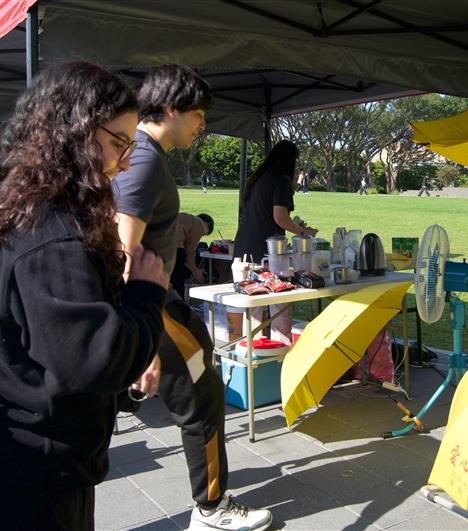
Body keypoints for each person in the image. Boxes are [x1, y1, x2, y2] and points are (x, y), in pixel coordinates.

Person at [0, 61, 170, 531]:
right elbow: (96, 359)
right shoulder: (51, 229)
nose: (126, 162)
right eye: (118, 144)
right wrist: (145, 298)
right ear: (73, 131)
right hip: (23, 481)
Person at [114, 64, 272, 531]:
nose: (203, 125)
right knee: (203, 397)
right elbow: (124, 250)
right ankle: (211, 508)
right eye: (198, 115)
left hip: (157, 303)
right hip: (148, 305)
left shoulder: (143, 155)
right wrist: (140, 341)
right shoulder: (143, 160)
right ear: (170, 109)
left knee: (199, 385)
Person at [233, 140, 318, 344]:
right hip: (264, 255)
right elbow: (280, 217)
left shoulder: (259, 178)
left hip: (242, 251)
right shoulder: (281, 180)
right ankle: (280, 358)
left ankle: (255, 364)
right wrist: (304, 231)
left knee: (253, 314)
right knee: (280, 311)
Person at [172, 212, 214, 299]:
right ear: (207, 224)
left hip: (162, 244)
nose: (200, 236)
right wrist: (197, 274)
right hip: (174, 247)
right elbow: (190, 254)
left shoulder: (186, 219)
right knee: (178, 282)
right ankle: (178, 307)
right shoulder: (200, 225)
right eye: (203, 234)